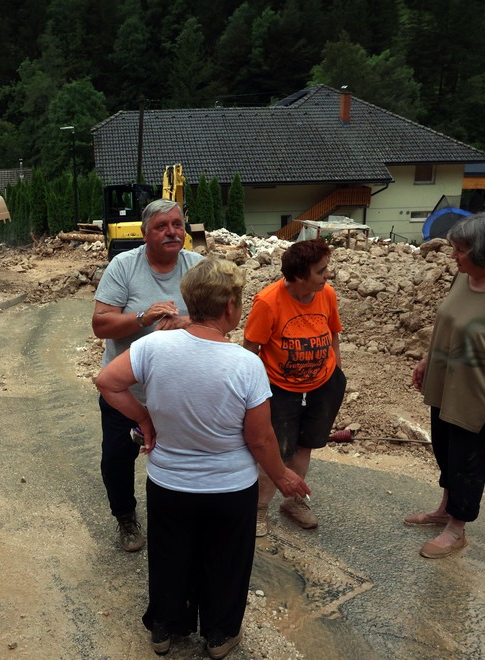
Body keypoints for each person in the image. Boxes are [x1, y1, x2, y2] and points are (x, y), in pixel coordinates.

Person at [96, 256, 310, 658]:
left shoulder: (153, 346)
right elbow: (261, 439)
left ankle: (164, 629)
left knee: (170, 556)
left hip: (168, 483)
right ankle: (219, 635)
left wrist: (146, 419)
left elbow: (107, 381)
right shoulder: (246, 365)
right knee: (225, 562)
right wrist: (282, 476)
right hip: (228, 490)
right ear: (230, 306)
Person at [408, 212, 485, 558]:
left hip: (476, 395)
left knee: (467, 461)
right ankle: (445, 509)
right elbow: (447, 322)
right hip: (444, 383)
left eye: (461, 250)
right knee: (444, 451)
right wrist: (425, 359)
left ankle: (457, 528)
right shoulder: (464, 277)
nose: (454, 256)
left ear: (484, 252)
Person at [92, 199, 203, 552]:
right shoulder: (124, 267)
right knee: (117, 459)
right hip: (128, 392)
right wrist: (144, 317)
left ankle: (181, 519)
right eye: (161, 226)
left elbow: (221, 322)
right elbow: (101, 325)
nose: (172, 232)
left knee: (183, 459)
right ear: (145, 233)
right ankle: (126, 517)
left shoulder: (198, 267)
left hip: (178, 392)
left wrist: (186, 323)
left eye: (177, 224)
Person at [243, 238, 345, 537]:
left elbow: (334, 333)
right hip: (279, 388)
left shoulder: (326, 295)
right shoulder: (268, 301)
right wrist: (250, 394)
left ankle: (294, 501)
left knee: (305, 446)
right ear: (300, 276)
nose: (327, 275)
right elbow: (250, 349)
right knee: (275, 451)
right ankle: (258, 509)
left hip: (322, 385)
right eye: (321, 271)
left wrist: (336, 373)